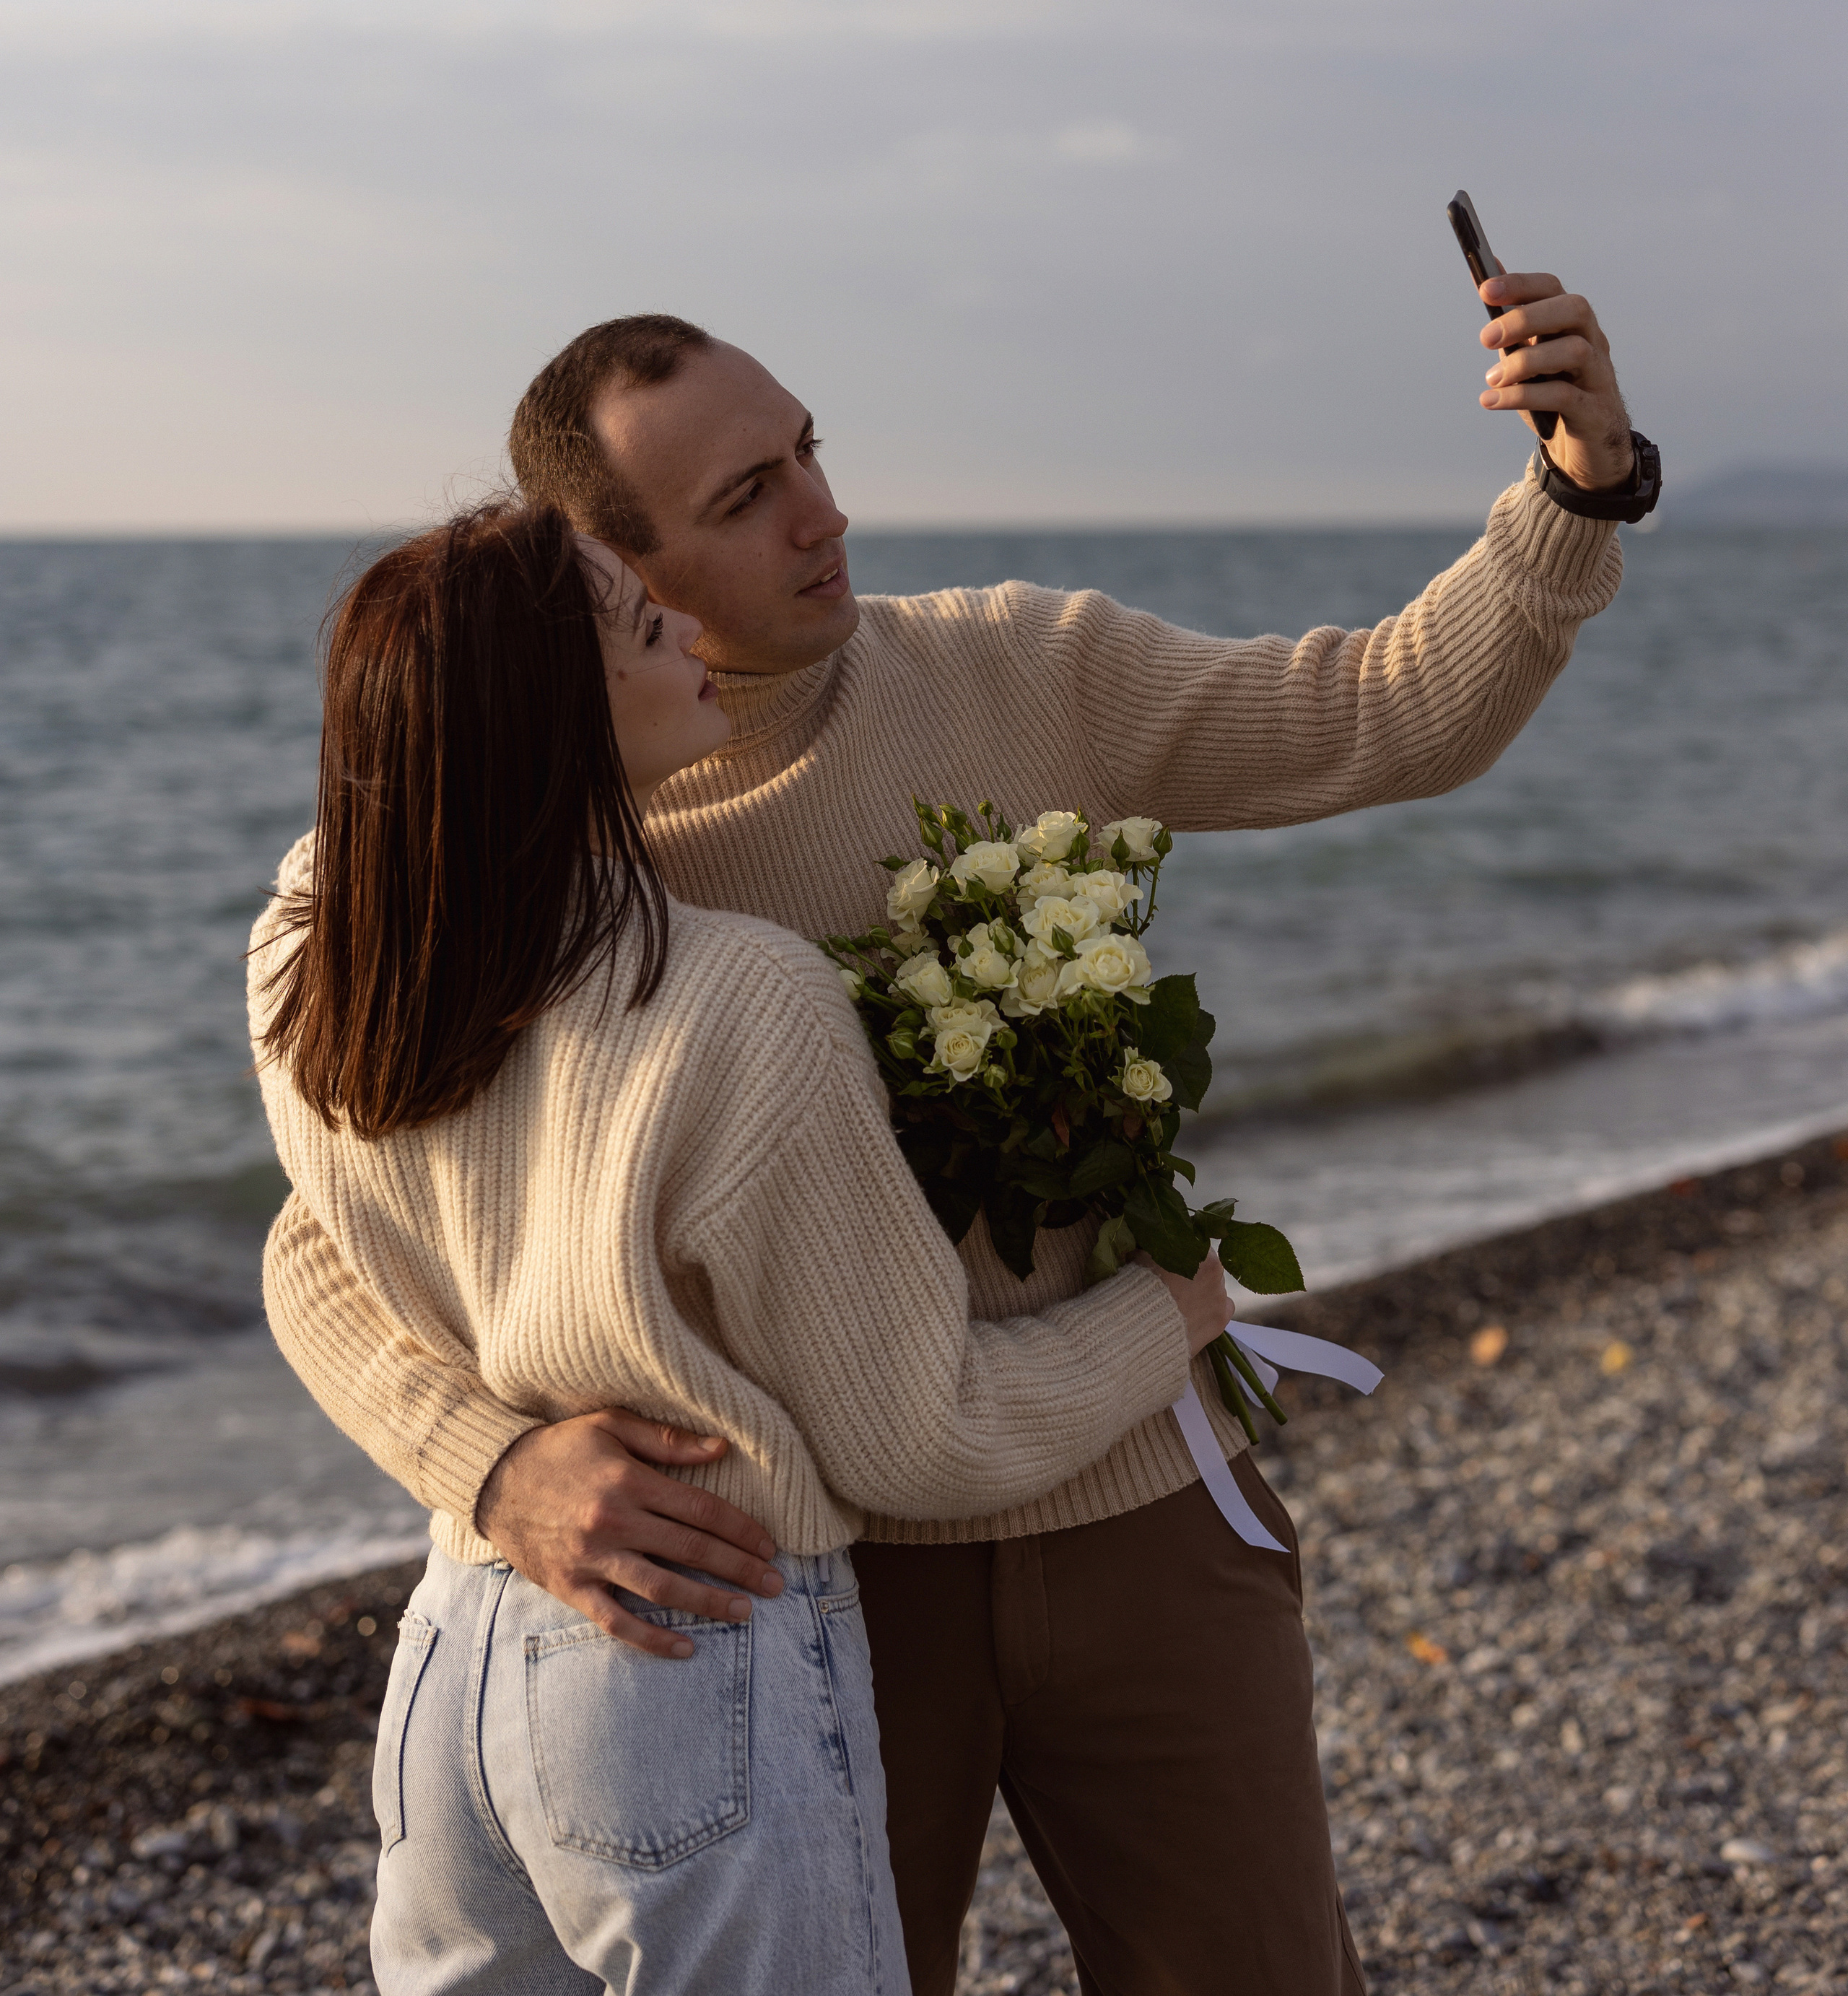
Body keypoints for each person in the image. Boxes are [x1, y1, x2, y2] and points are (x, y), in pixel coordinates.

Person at [266, 275, 1643, 1995]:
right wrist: (485, 1459)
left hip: (1136, 1503)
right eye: (741, 497)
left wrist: (1570, 489)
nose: (821, 514)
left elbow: (1375, 708)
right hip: (805, 1583)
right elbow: (328, 1232)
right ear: (602, 571)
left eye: (806, 451)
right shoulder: (531, 843)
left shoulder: (1012, 667)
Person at [249, 505, 1230, 1996]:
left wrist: (486, 1463)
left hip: (456, 1662)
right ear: (563, 720)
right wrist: (1169, 1309)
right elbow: (921, 1436)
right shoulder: (737, 998)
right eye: (644, 631)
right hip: (691, 1667)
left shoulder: (322, 946)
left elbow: (305, 1254)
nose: (688, 631)